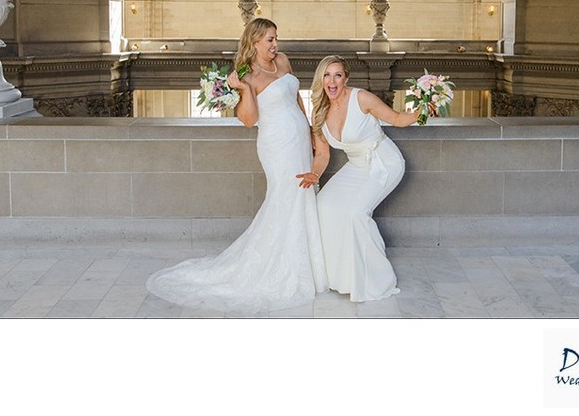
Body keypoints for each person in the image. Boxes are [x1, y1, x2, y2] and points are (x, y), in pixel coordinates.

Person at [146, 18, 327, 314]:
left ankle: (311, 264)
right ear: (254, 42)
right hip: (276, 145)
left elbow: (296, 98)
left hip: (298, 137)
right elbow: (248, 120)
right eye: (269, 39)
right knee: (286, 196)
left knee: (303, 195)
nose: (275, 45)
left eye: (276, 38)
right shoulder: (246, 74)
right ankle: (274, 266)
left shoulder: (283, 61)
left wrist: (308, 131)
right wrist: (244, 89)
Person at [298, 55, 419, 302]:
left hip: (384, 162)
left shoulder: (361, 98)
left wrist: (420, 112)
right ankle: (338, 277)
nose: (332, 81)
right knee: (323, 206)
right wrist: (314, 173)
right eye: (327, 75)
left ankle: (375, 278)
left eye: (337, 75)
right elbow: (322, 154)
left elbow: (396, 118)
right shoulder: (319, 113)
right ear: (320, 79)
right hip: (356, 166)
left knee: (354, 214)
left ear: (346, 78)